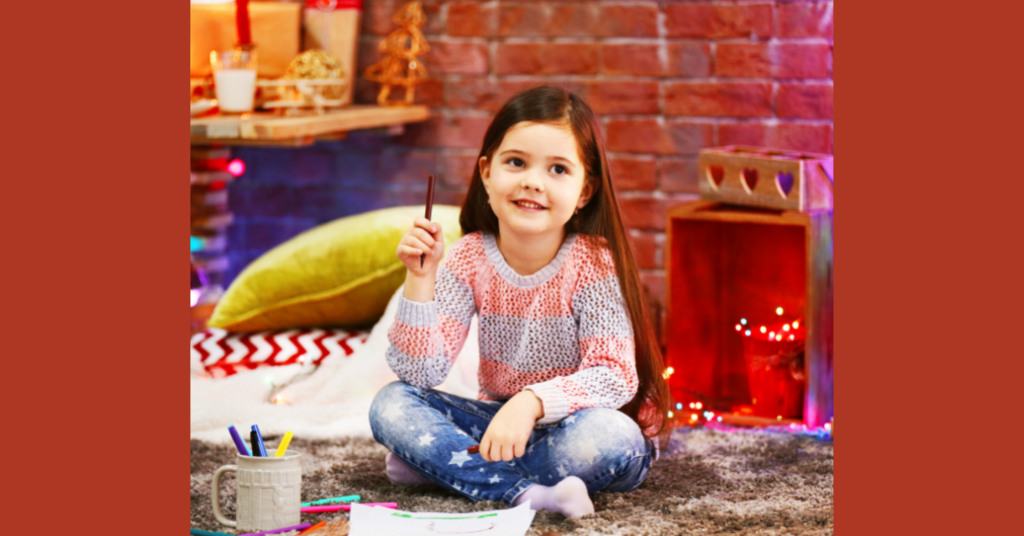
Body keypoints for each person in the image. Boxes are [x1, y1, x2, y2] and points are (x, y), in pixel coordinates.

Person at [369, 85, 671, 518]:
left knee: (613, 435)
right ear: (487, 173)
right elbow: (421, 372)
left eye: (558, 170)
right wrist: (420, 280)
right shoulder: (470, 256)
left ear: (585, 192)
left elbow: (614, 377)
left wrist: (529, 403)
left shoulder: (592, 263)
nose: (533, 181)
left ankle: (451, 467)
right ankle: (529, 493)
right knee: (392, 403)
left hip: (579, 429)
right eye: (516, 163)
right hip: (500, 426)